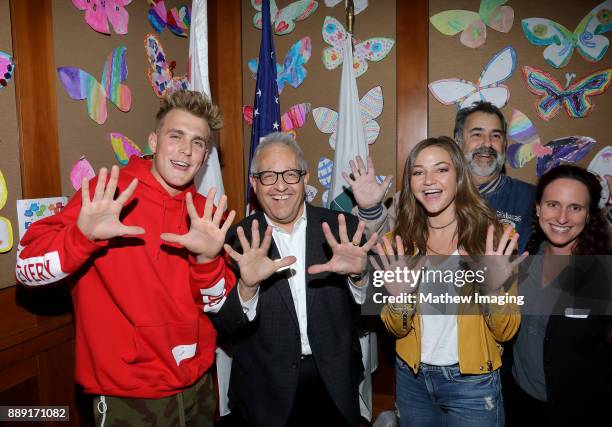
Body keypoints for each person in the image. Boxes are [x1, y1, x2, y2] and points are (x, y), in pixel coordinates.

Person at [15, 90, 236, 426]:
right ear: (154, 140)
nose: (186, 151)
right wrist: (81, 238)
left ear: (206, 155)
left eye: (198, 142)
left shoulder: (206, 214)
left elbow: (218, 306)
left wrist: (207, 261)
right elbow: (25, 268)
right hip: (127, 395)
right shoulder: (108, 195)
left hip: (198, 387)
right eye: (175, 136)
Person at [214, 132, 377, 427]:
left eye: (290, 174)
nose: (280, 185)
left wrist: (360, 277)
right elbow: (224, 325)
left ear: (305, 178)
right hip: (263, 392)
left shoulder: (344, 229)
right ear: (254, 182)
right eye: (268, 176)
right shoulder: (236, 239)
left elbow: (379, 308)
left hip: (334, 384)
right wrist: (247, 287)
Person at [374, 137, 524, 426]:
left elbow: (506, 332)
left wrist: (492, 289)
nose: (428, 180)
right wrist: (400, 298)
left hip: (472, 383)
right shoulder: (398, 245)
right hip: (412, 379)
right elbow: (395, 328)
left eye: (441, 169)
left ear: (459, 175)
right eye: (418, 172)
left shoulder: (492, 240)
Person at [349, 101, 535, 252]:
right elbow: (385, 249)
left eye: (496, 136)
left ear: (504, 144)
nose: (487, 143)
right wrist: (370, 209)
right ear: (457, 142)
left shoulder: (530, 198)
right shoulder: (420, 196)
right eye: (477, 134)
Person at [505, 165, 612, 426]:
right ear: (538, 208)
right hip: (518, 406)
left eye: (575, 207)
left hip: (580, 412)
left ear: (588, 215)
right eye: (553, 204)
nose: (562, 218)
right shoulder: (518, 263)